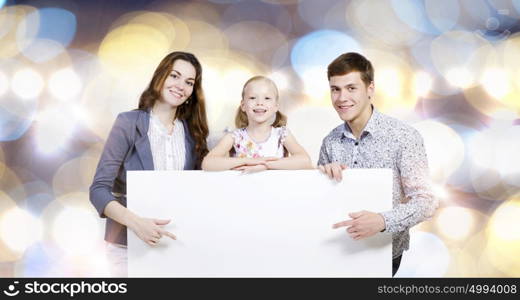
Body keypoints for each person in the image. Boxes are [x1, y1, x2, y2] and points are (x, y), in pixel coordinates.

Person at [317, 52, 438, 277]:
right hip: (335, 253)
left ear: (370, 88)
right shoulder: (330, 142)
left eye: (351, 88)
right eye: (336, 89)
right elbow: (321, 203)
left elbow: (426, 201)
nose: (342, 98)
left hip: (383, 256)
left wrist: (382, 221)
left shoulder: (404, 136)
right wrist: (321, 176)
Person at [89, 51, 209, 277]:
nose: (180, 86)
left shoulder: (194, 135)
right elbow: (98, 191)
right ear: (160, 77)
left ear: (193, 92)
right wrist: (137, 224)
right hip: (126, 249)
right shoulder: (128, 123)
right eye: (175, 76)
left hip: (177, 248)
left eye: (189, 82)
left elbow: (201, 192)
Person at [202, 76, 312, 171]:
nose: (260, 103)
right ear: (243, 105)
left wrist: (266, 165)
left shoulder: (281, 135)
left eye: (267, 98)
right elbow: (208, 163)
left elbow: (305, 160)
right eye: (252, 98)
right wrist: (249, 162)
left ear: (275, 106)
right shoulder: (235, 137)